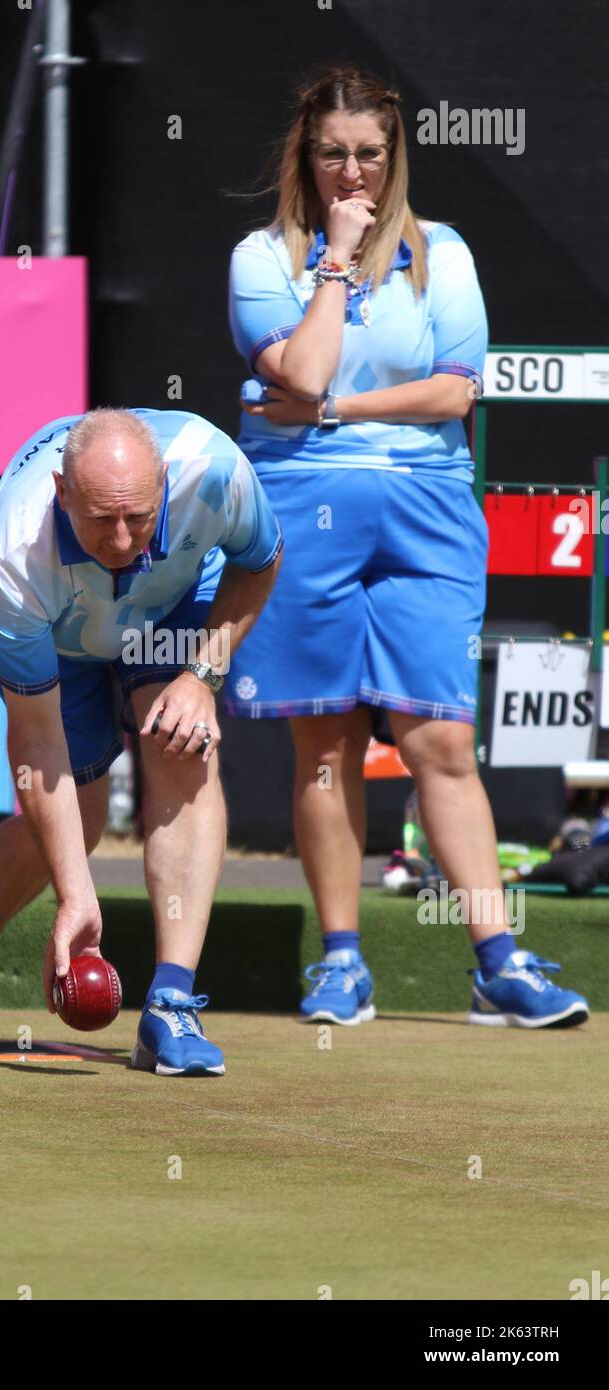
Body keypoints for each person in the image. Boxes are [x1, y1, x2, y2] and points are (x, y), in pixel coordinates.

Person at [226, 65, 589, 1029]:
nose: (354, 174)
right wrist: (336, 263)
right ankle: (343, 963)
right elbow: (295, 363)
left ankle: (498, 963)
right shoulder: (262, 259)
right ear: (305, 157)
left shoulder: (447, 255)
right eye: (334, 154)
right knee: (326, 748)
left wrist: (333, 406)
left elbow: (452, 393)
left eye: (371, 155)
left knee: (443, 741)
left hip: (427, 509)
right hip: (299, 511)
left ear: (397, 157)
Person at [0, 407, 283, 1073]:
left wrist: (203, 673)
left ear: (165, 482)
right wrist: (76, 893)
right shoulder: (14, 555)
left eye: (138, 517)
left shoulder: (217, 470)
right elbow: (35, 743)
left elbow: (262, 561)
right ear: (61, 493)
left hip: (171, 604)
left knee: (184, 749)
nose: (120, 539)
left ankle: (170, 1003)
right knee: (70, 826)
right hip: (63, 632)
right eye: (100, 519)